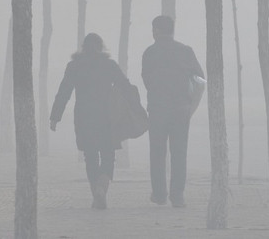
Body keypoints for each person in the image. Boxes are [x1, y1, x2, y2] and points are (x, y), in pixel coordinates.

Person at [50, 33, 132, 210]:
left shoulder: (74, 66)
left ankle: (96, 191)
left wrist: (55, 116)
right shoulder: (109, 65)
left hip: (84, 117)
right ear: (101, 47)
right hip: (107, 117)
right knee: (108, 155)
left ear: (83, 47)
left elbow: (64, 92)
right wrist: (136, 109)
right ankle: (102, 187)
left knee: (91, 156)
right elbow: (125, 86)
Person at [141, 15, 204, 208]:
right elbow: (200, 79)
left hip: (158, 109)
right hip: (181, 109)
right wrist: (191, 104)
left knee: (157, 152)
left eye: (153, 29)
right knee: (179, 152)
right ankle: (177, 195)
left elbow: (147, 80)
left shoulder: (150, 53)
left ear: (157, 30)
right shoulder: (186, 51)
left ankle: (159, 194)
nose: (152, 32)